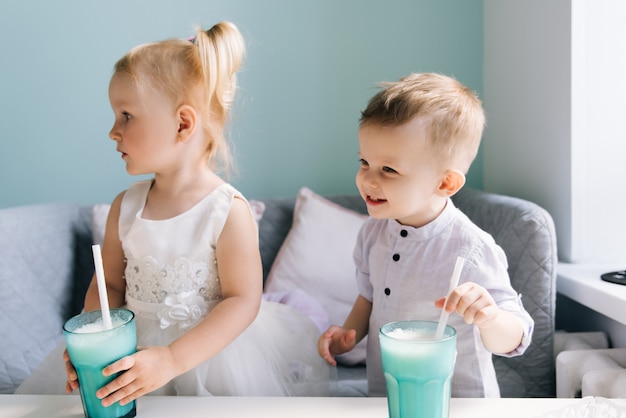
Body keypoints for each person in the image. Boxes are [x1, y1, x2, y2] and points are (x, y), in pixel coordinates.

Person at [18, 21, 331, 403]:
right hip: (133, 359)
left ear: (183, 123)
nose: (113, 131)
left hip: (208, 360)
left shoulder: (227, 211)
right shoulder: (126, 205)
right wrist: (92, 340)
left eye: (126, 116)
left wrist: (171, 359)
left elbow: (243, 300)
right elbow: (111, 285)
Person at [317, 72, 534, 398]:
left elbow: (516, 337)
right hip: (390, 396)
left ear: (445, 184)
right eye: (364, 162)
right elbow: (369, 298)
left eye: (389, 169)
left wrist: (490, 318)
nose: (368, 180)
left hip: (459, 403)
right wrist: (348, 334)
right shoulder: (372, 234)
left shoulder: (471, 248)